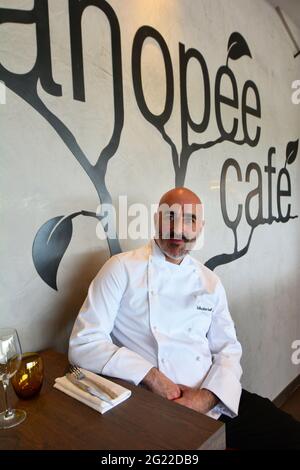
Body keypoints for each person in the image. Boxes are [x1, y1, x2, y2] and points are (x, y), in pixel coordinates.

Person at [69, 187, 300, 449]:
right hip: (154, 406)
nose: (178, 229)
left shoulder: (209, 281)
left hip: (213, 396)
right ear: (156, 219)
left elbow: (228, 349)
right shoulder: (121, 268)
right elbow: (84, 343)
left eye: (190, 219)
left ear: (200, 227)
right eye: (170, 217)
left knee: (290, 434)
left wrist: (207, 398)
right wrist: (152, 376)